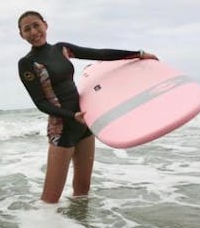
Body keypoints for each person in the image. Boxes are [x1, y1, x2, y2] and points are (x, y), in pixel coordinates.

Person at [17, 11, 158, 203]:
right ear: (22, 35)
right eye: (27, 29)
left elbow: (99, 54)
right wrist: (71, 115)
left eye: (36, 25)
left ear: (45, 24)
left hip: (83, 124)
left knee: (83, 191)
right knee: (50, 198)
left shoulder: (61, 49)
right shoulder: (26, 63)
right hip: (62, 128)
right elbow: (41, 103)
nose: (33, 32)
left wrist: (137, 54)